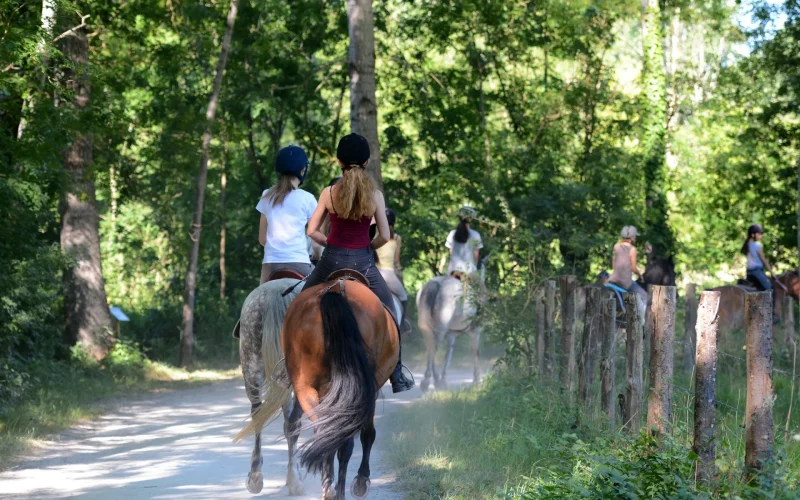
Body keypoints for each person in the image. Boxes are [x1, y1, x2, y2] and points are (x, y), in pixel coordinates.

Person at [304, 133, 414, 393]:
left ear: (339, 161)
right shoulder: (375, 195)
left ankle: (289, 365)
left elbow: (311, 231)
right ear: (366, 162)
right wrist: (367, 247)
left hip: (331, 261)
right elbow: (385, 236)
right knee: (390, 311)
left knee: (299, 302)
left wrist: (330, 241)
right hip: (364, 264)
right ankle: (397, 373)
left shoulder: (329, 192)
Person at [256, 145, 317, 284]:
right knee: (324, 296)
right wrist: (317, 256)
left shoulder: (266, 196)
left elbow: (262, 239)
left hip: (270, 266)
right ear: (302, 170)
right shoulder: (307, 198)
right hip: (300, 264)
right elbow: (315, 241)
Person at [375, 208, 410, 332]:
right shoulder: (396, 238)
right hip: (388, 274)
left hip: (373, 272)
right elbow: (396, 261)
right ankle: (402, 326)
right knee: (404, 296)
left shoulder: (374, 234)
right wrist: (399, 269)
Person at [741, 224, 779, 323]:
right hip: (757, 271)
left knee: (757, 290)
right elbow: (764, 260)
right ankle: (771, 315)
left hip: (749, 272)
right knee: (771, 289)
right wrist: (772, 273)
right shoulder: (757, 246)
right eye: (759, 233)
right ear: (753, 234)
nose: (761, 235)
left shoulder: (747, 245)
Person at [608, 226, 647, 301]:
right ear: (632, 237)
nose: (635, 238)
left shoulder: (616, 246)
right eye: (635, 236)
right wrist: (640, 276)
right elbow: (634, 268)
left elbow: (613, 266)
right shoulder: (632, 249)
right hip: (625, 282)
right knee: (644, 297)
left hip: (613, 280)